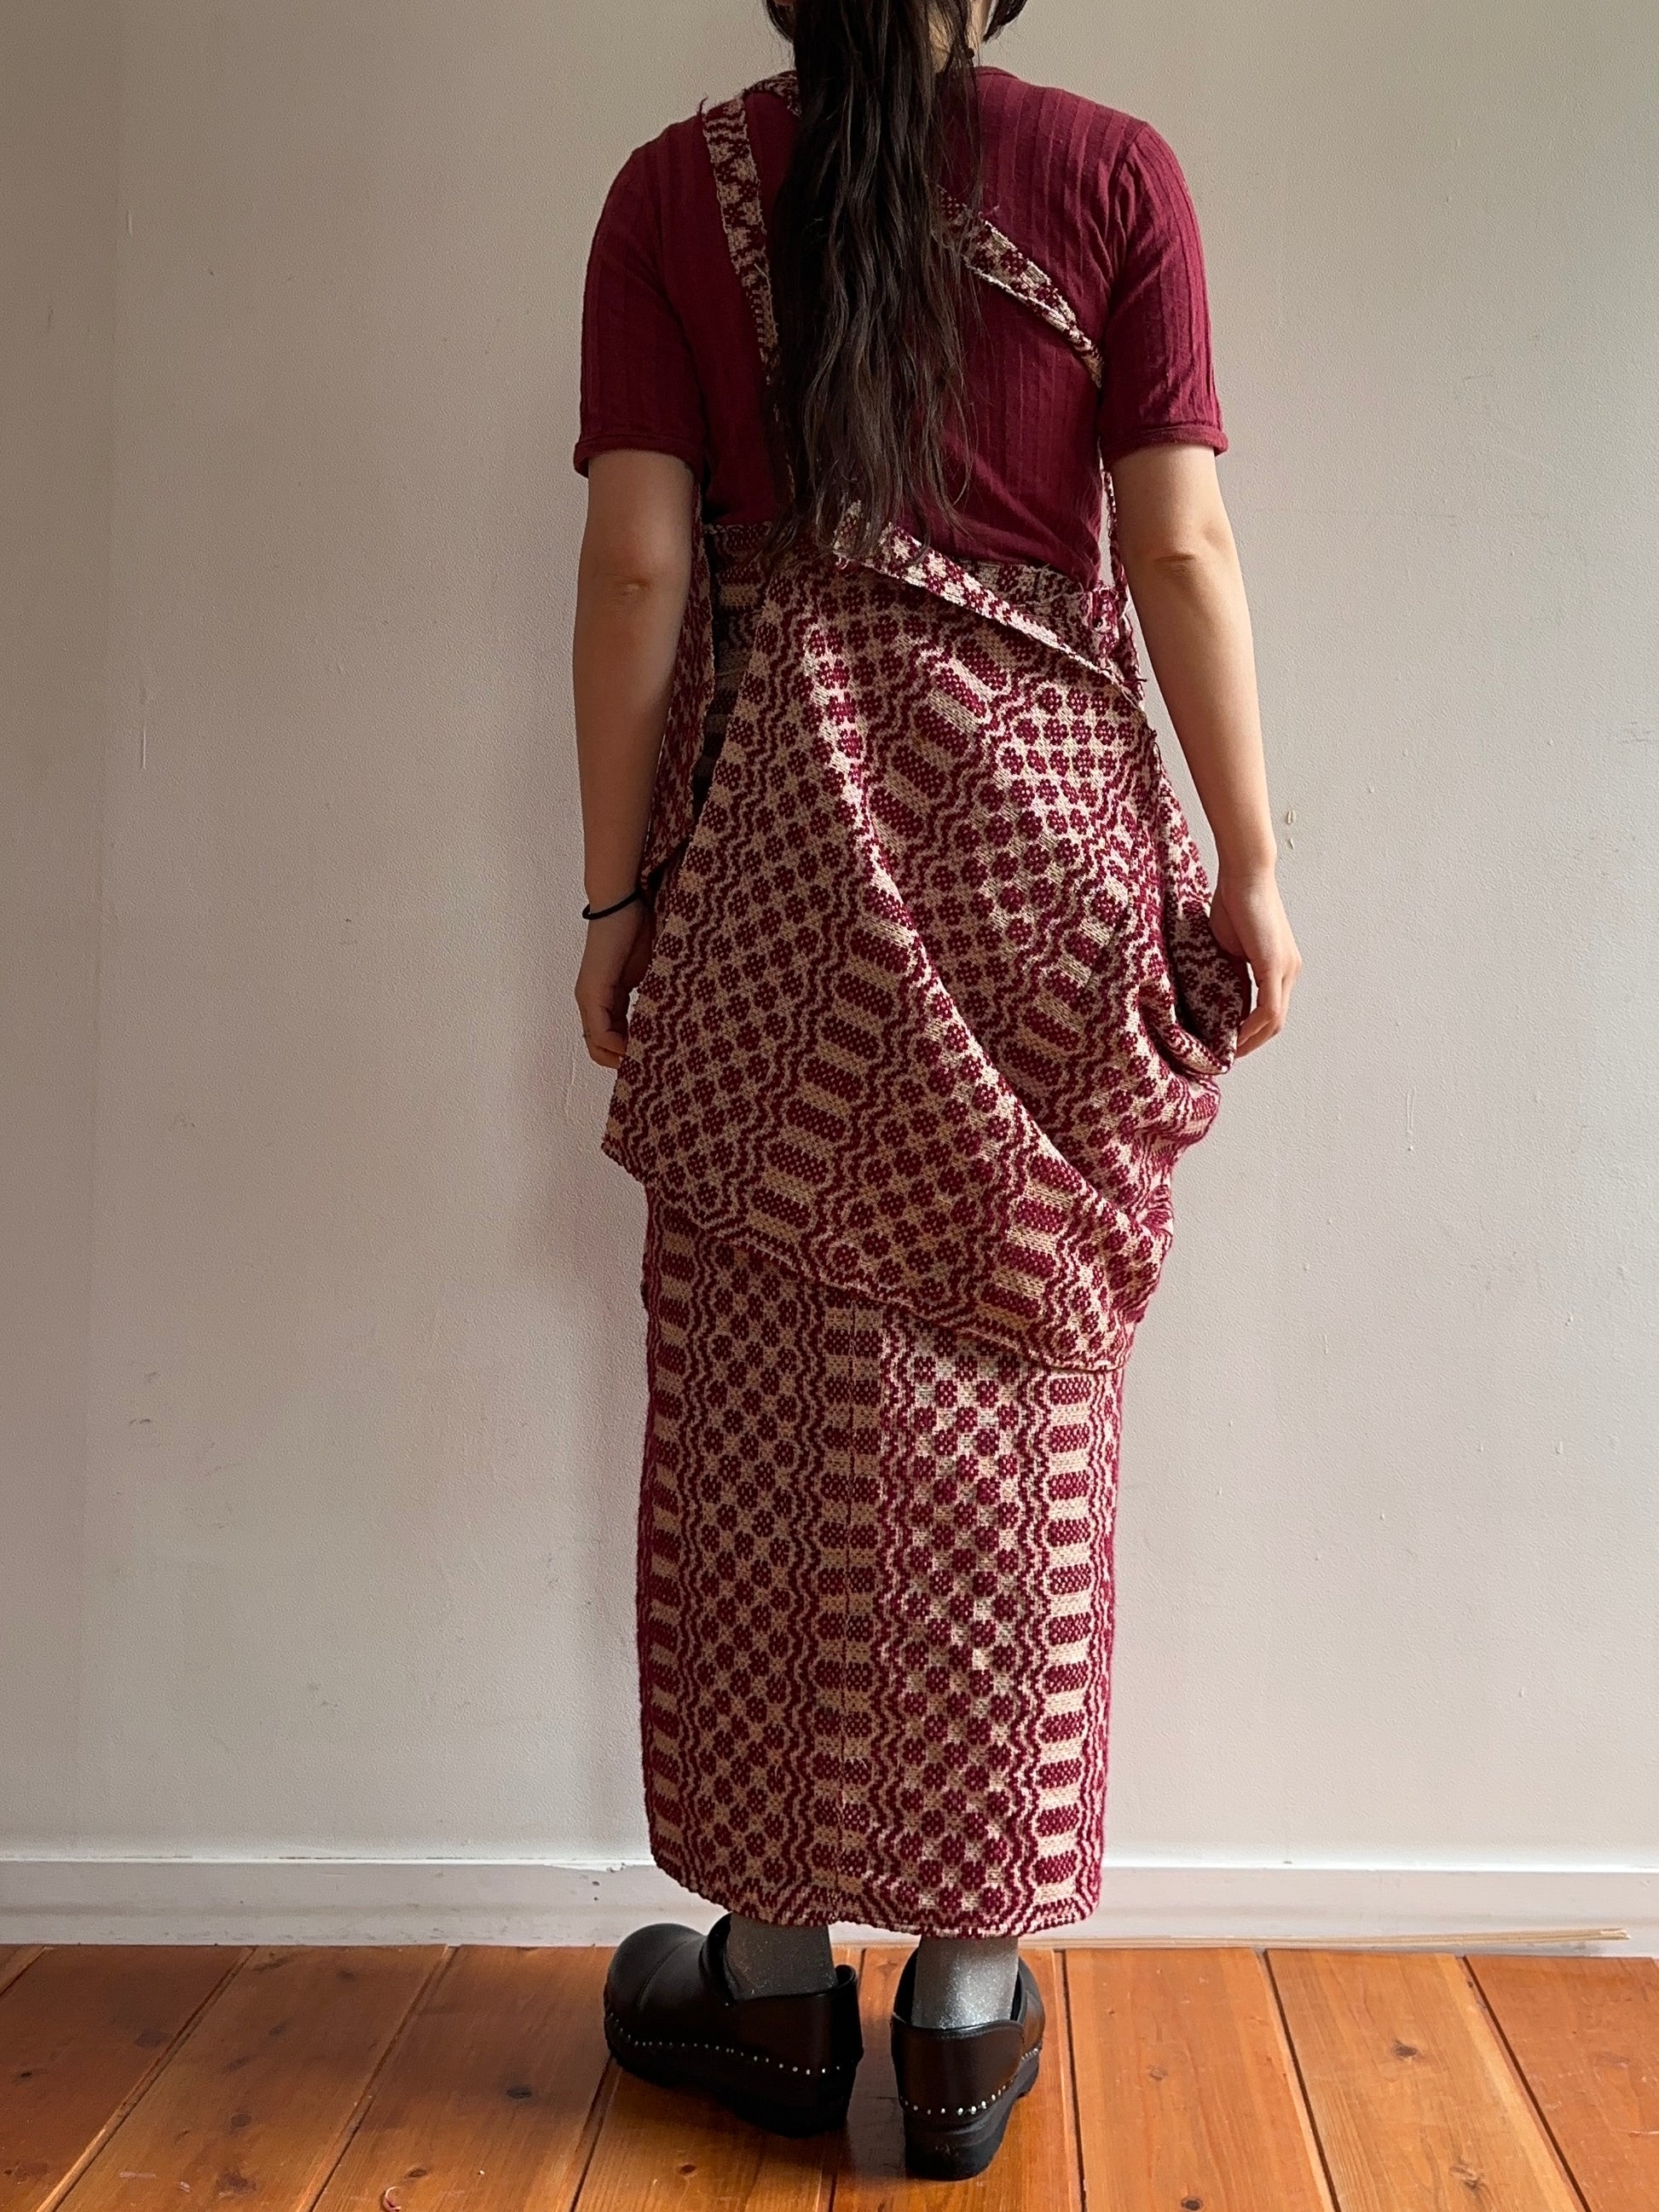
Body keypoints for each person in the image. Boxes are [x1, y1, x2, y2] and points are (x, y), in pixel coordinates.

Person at [570, 0, 1299, 2180]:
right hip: (1045, 858)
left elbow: (636, 563)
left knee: (757, 1382)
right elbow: (1175, 544)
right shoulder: (1112, 174)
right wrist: (1251, 862)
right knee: (1020, 1389)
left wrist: (613, 900)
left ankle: (773, 1972)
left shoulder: (674, 193)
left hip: (778, 842)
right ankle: (970, 2006)